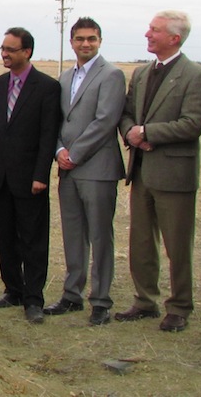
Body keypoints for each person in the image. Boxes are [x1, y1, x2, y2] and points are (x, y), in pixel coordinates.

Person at [116, 10, 201, 332]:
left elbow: (192, 124)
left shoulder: (195, 75)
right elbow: (126, 113)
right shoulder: (141, 73)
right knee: (141, 241)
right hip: (141, 173)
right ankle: (145, 301)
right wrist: (131, 133)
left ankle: (179, 307)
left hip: (174, 177)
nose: (147, 34)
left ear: (174, 38)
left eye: (153, 30)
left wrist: (148, 133)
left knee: (177, 245)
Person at [43, 17, 126, 326]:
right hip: (68, 170)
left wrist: (74, 154)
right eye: (80, 39)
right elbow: (56, 120)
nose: (86, 44)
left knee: (100, 235)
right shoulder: (65, 78)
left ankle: (101, 301)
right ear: (72, 42)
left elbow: (105, 121)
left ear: (100, 41)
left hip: (97, 169)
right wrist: (59, 151)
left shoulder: (112, 75)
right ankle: (71, 295)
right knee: (73, 235)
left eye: (91, 38)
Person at [0, 27, 61, 323]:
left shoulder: (46, 87)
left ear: (26, 52)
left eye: (11, 49)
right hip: (0, 177)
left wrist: (41, 174)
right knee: (5, 237)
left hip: (31, 179)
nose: (5, 54)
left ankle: (33, 299)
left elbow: (47, 135)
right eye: (2, 49)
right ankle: (13, 289)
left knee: (33, 239)